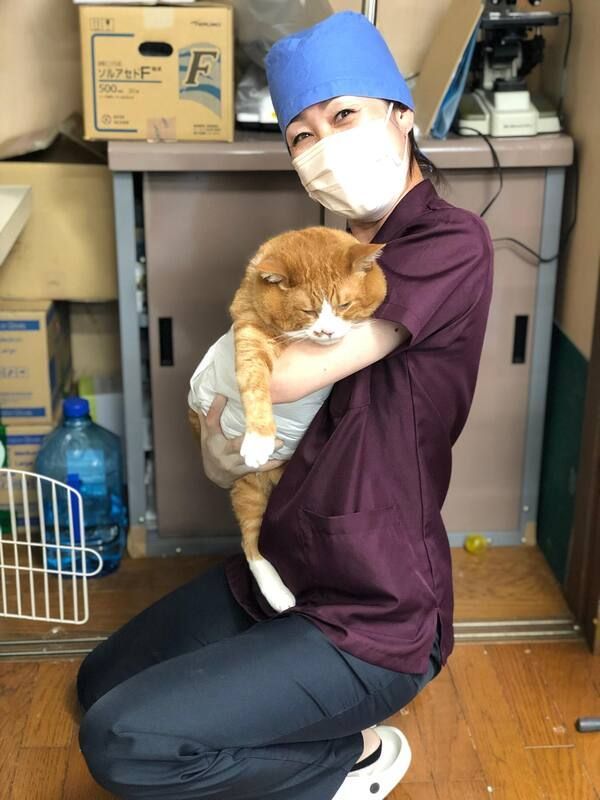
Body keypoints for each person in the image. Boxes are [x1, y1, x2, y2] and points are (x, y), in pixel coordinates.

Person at [76, 11, 493, 800]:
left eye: (343, 116)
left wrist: (227, 391)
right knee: (101, 684)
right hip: (291, 563)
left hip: (374, 609)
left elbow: (291, 375)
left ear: (401, 114)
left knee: (123, 741)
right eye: (301, 136)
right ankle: (284, 712)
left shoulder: (451, 241)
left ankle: (353, 762)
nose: (324, 145)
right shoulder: (335, 253)